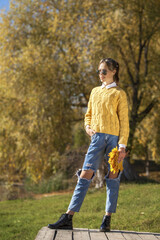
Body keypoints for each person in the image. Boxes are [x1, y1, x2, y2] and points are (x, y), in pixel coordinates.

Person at [48, 58, 129, 232]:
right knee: (85, 173)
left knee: (113, 177)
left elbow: (124, 121)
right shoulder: (94, 92)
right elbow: (88, 114)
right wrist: (87, 128)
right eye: (99, 71)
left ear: (114, 71)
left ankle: (107, 219)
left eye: (104, 71)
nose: (101, 74)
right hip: (97, 138)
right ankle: (68, 217)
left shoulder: (119, 93)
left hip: (114, 140)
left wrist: (122, 146)